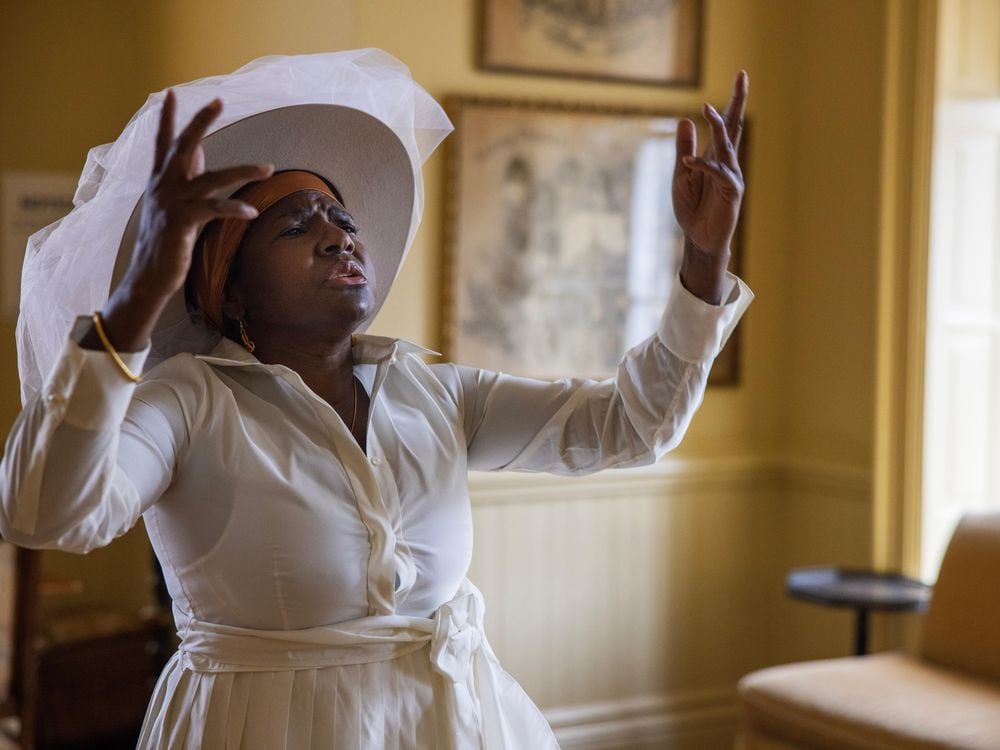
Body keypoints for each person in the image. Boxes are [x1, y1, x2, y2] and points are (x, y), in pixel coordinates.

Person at [0, 49, 751, 749]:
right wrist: (135, 299)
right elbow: (44, 512)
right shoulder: (186, 404)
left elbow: (629, 426)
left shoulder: (434, 392)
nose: (340, 238)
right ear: (226, 290)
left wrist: (705, 259)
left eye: (344, 219)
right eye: (296, 226)